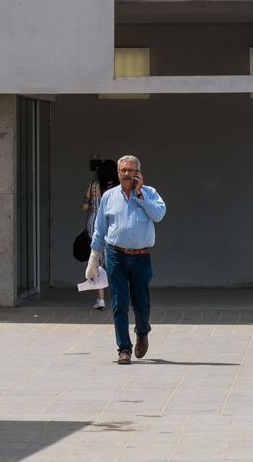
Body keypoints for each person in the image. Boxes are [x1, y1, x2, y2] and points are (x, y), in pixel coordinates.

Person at [86, 155, 167, 365]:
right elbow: (100, 228)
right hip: (116, 255)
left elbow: (159, 215)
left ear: (138, 173)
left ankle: (142, 331)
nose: (126, 174)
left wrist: (141, 195)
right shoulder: (109, 196)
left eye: (130, 170)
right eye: (123, 170)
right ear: (118, 173)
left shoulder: (149, 193)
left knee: (141, 305)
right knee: (119, 303)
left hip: (141, 256)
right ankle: (124, 348)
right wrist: (94, 259)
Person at [81, 159, 118, 309]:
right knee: (113, 259)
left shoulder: (94, 185)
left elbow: (84, 206)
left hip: (94, 222)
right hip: (111, 223)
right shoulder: (117, 187)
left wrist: (93, 204)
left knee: (97, 260)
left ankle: (100, 299)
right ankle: (117, 295)